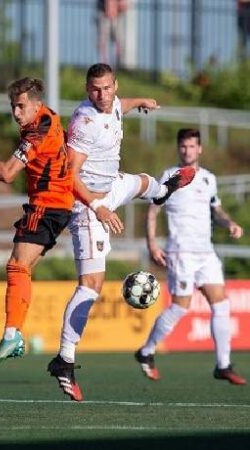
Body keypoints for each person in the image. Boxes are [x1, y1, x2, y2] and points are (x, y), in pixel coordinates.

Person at [47, 63, 195, 402]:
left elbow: (120, 104)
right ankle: (65, 359)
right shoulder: (85, 123)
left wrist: (140, 100)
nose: (102, 95)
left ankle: (162, 191)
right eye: (95, 90)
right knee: (91, 285)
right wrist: (98, 207)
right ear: (87, 90)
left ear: (114, 85)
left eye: (107, 88)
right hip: (87, 204)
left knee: (142, 182)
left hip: (111, 186)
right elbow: (69, 176)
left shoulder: (113, 102)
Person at [0, 77, 73, 366]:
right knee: (23, 271)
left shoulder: (37, 131)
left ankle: (12, 335)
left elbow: (7, 173)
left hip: (47, 205)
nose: (15, 112)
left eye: (21, 106)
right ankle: (15, 335)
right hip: (59, 205)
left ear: (37, 105)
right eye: (13, 106)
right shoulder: (46, 117)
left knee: (16, 266)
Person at [135, 128, 246, 386]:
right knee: (180, 307)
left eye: (192, 146)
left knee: (221, 304)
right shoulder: (169, 177)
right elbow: (152, 213)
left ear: (200, 149)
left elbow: (215, 210)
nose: (188, 151)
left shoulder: (208, 179)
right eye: (183, 146)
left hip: (205, 252)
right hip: (181, 251)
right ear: (178, 148)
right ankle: (147, 350)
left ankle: (223, 364)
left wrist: (229, 223)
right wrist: (152, 243)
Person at [97, 0, 128, 67]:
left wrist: (120, 4)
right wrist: (110, 5)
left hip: (117, 13)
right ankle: (104, 65)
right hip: (104, 12)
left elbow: (124, 5)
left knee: (118, 40)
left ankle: (116, 64)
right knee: (103, 40)